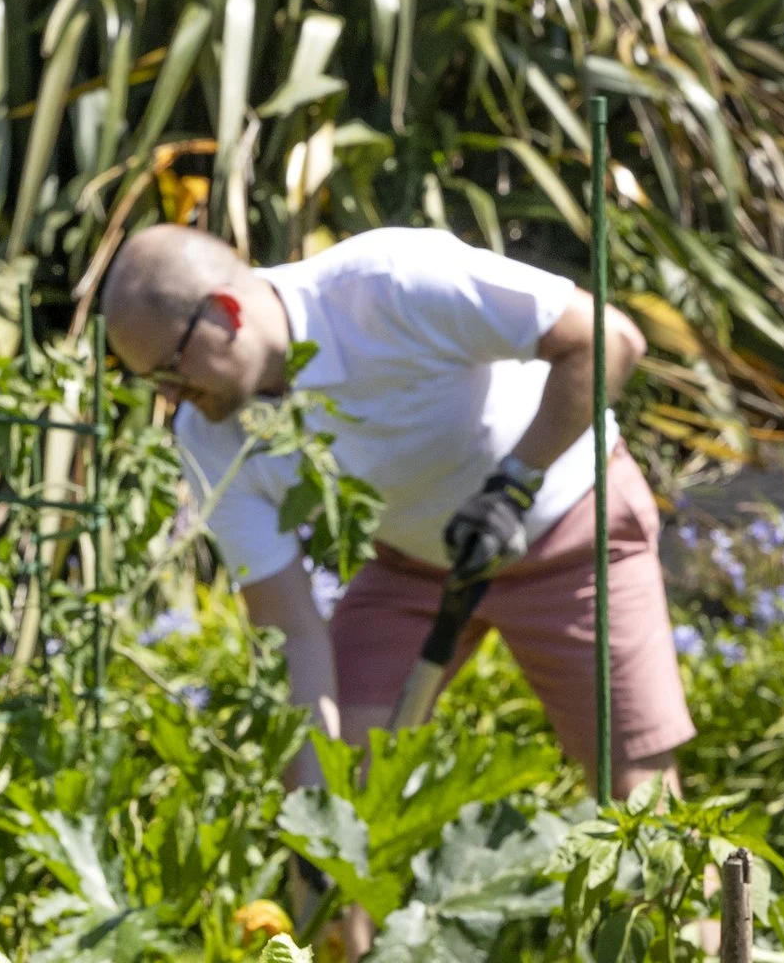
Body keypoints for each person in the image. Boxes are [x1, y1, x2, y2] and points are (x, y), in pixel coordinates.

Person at [100, 224, 694, 799]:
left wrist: (513, 484)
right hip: (411, 567)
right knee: (346, 787)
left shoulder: (389, 283)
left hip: (571, 533)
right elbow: (291, 630)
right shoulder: (212, 436)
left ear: (226, 314)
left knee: (640, 808)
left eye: (170, 371)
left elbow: (607, 338)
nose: (170, 398)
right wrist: (315, 818)